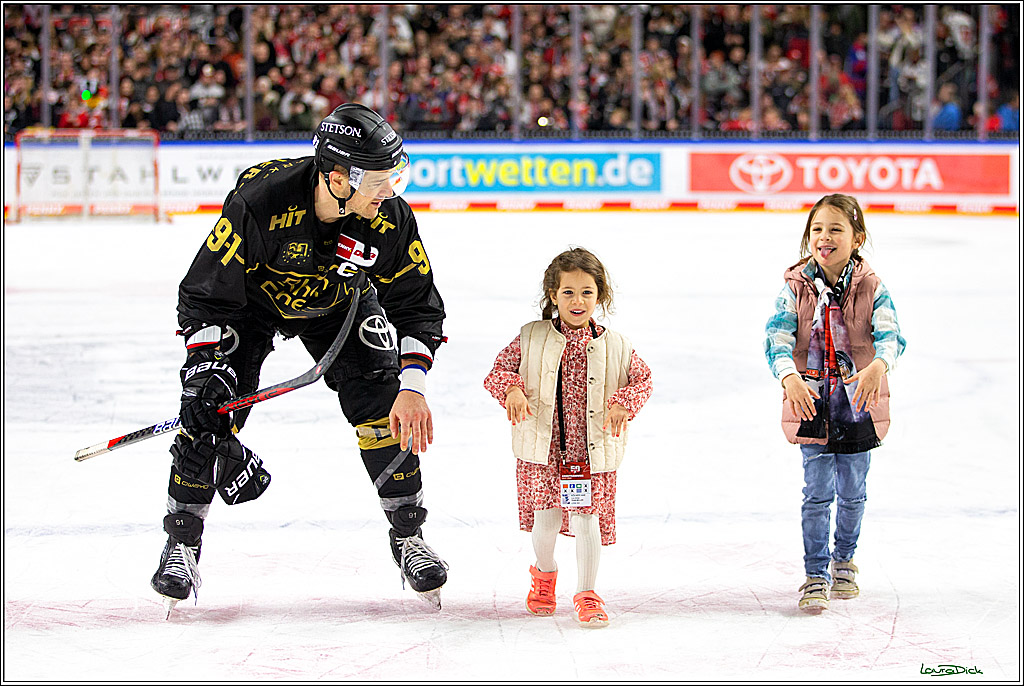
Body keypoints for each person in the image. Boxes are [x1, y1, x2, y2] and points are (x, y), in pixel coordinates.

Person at [150, 102, 450, 615]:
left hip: (338, 305)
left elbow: (418, 307)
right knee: (207, 410)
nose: (391, 192)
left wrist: (413, 385)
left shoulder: (389, 219)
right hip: (250, 306)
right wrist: (204, 369)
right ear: (338, 178)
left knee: (381, 399)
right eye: (380, 180)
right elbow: (204, 295)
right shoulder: (261, 201)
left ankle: (408, 534)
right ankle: (181, 544)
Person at [483, 248, 652, 627]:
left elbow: (643, 380)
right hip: (544, 449)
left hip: (590, 452)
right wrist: (511, 389)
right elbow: (498, 370)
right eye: (569, 292)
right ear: (553, 294)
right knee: (545, 520)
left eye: (587, 292)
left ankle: (587, 593)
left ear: (600, 295)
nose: (578, 301)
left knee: (586, 521)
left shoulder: (617, 345)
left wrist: (624, 402)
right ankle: (544, 576)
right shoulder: (532, 337)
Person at [763, 194, 906, 614]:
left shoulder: (873, 287)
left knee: (853, 491)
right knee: (816, 493)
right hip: (811, 403)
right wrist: (789, 376)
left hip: (859, 403)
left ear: (856, 238)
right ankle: (815, 573)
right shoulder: (795, 287)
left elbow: (892, 335)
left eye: (835, 229)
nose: (824, 237)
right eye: (817, 229)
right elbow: (776, 335)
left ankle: (844, 560)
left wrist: (880, 364)